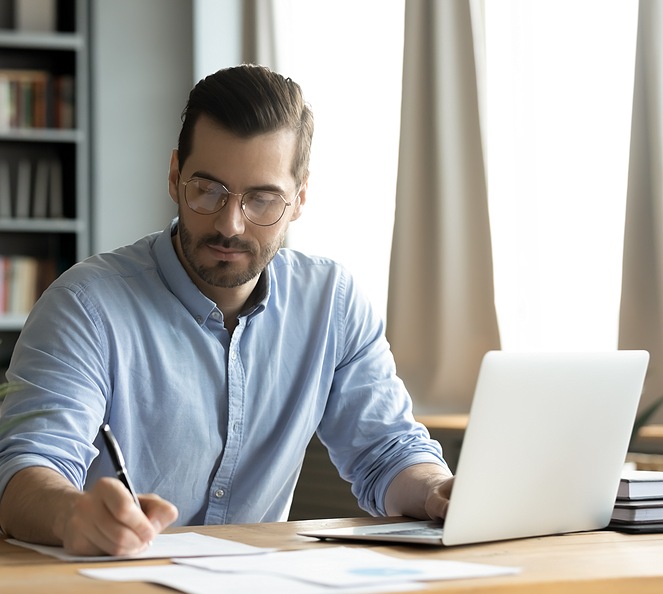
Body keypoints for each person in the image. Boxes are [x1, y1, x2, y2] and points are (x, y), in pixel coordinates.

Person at [0, 64, 453, 556]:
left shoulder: (332, 303)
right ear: (175, 176)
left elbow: (387, 452)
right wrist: (72, 513)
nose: (231, 225)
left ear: (299, 198)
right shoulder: (85, 306)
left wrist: (435, 490)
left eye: (262, 200)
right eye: (208, 190)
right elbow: (23, 471)